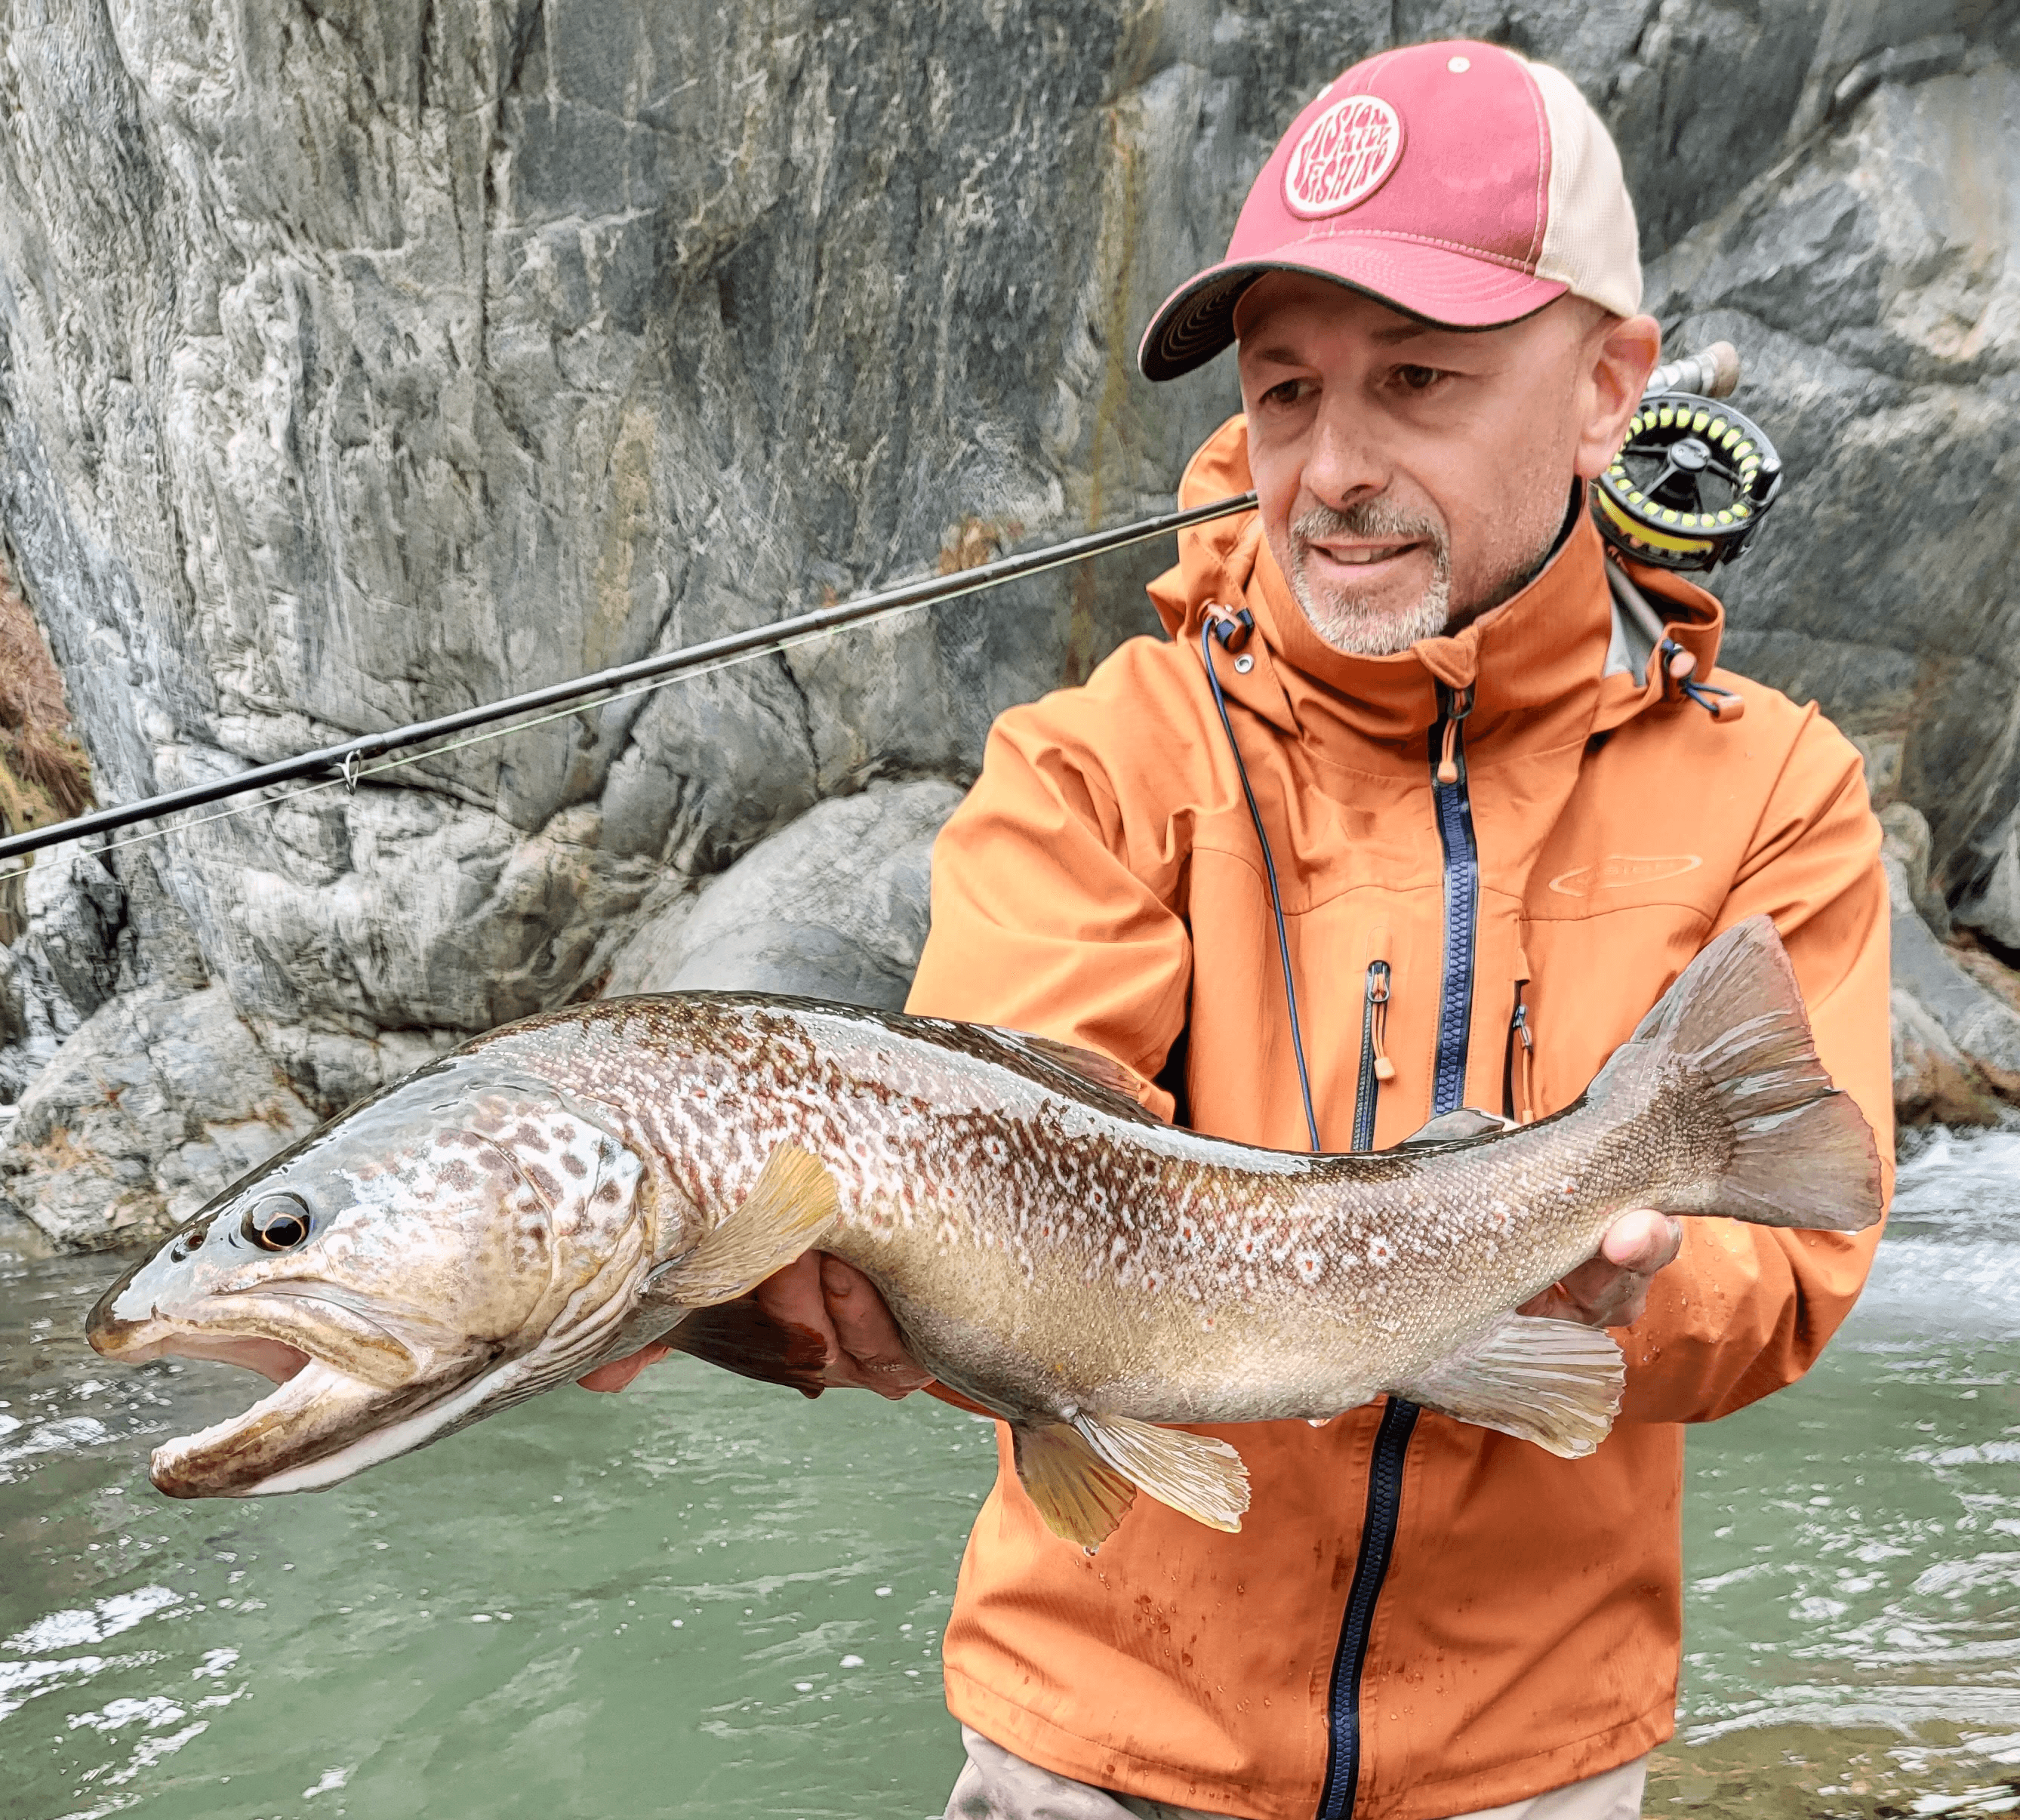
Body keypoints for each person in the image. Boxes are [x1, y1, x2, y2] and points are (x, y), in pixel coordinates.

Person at [583, 38, 1892, 1820]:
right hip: (1097, 1755)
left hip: (1531, 1765)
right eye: (1286, 393)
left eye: (1417, 379)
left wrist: (1631, 1288)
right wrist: (803, 1307)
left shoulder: (1775, 791)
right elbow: (994, 1166)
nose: (1332, 467)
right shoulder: (1096, 763)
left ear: (1607, 388)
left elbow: (1798, 1258)